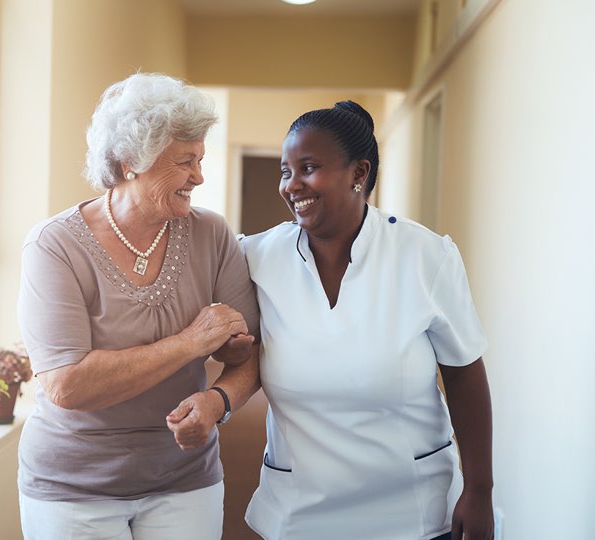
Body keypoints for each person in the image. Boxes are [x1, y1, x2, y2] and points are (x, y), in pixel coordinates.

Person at [171, 100, 494, 539]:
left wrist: (479, 489)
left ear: (359, 174)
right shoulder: (255, 257)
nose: (292, 185)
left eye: (308, 167)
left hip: (412, 509)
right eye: (286, 171)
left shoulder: (425, 256)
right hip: (300, 510)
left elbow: (464, 374)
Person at [16, 72, 260, 540]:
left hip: (185, 477)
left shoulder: (211, 234)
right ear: (131, 161)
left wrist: (218, 400)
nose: (199, 176)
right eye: (186, 161)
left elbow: (248, 356)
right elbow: (68, 386)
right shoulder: (54, 246)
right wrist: (191, 342)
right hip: (72, 487)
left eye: (201, 159)